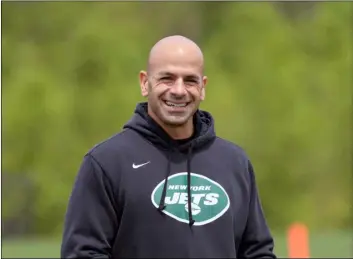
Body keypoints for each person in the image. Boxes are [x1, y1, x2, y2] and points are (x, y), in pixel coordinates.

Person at [61, 35, 276, 258]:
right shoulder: (107, 163)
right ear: (145, 83)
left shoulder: (234, 163)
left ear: (203, 87)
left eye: (190, 80)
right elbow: (83, 253)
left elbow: (257, 252)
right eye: (167, 78)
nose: (179, 90)